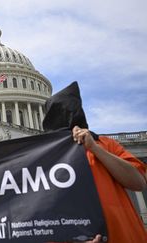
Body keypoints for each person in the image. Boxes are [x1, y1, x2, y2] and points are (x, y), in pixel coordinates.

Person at [42, 82, 147, 243]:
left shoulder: (105, 144)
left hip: (124, 235)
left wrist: (95, 149)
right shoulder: (46, 158)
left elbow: (138, 182)